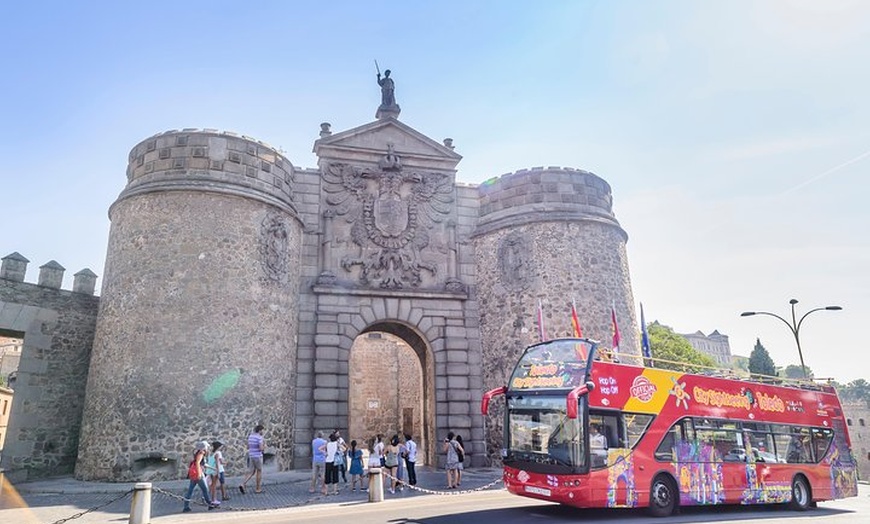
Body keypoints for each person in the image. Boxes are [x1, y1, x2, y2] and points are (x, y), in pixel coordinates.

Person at [183, 441, 218, 512]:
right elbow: (198, 463)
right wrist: (199, 474)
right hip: (199, 474)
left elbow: (203, 464)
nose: (208, 448)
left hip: (194, 474)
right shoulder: (201, 453)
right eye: (207, 447)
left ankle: (186, 506)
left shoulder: (197, 452)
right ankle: (210, 505)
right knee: (205, 489)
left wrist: (212, 468)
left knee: (190, 490)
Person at [239, 424, 265, 494]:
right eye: (262, 430)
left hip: (251, 455)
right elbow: (260, 448)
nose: (263, 432)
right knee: (259, 471)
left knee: (251, 472)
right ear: (260, 430)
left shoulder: (250, 436)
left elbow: (248, 446)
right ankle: (258, 488)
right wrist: (264, 448)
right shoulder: (259, 438)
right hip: (258, 456)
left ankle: (243, 483)